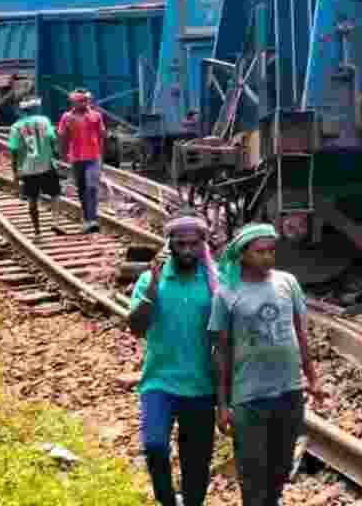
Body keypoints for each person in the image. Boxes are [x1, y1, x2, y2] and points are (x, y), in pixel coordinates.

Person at [210, 223, 321, 506]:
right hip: (249, 395)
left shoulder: (287, 282)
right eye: (260, 252)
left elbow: (300, 332)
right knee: (252, 469)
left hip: (289, 390)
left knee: (282, 466)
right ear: (243, 255)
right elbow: (221, 350)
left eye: (271, 251)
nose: (268, 257)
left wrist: (313, 378)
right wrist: (222, 404)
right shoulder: (226, 293)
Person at [130, 214, 222, 506]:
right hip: (159, 382)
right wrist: (153, 290)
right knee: (154, 445)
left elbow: (224, 340)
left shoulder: (213, 284)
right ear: (169, 245)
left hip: (201, 386)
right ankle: (167, 500)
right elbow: (136, 328)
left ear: (202, 246)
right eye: (180, 244)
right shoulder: (149, 279)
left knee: (196, 462)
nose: (186, 250)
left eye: (193, 245)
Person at [6, 97, 60, 237]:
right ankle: (55, 222)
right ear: (36, 108)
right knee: (55, 194)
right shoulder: (44, 121)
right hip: (46, 166)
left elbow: (14, 151)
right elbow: (53, 140)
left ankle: (37, 230)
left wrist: (15, 172)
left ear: (23, 111)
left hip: (28, 169)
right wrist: (54, 154)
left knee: (32, 199)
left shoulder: (16, 127)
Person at [57, 89, 106, 234]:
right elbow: (62, 136)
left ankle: (92, 219)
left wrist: (101, 156)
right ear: (73, 102)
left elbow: (102, 135)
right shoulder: (66, 117)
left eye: (85, 100)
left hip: (93, 157)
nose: (83, 103)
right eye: (80, 101)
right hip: (76, 158)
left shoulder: (96, 115)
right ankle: (87, 218)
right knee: (82, 189)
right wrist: (62, 153)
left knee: (92, 187)